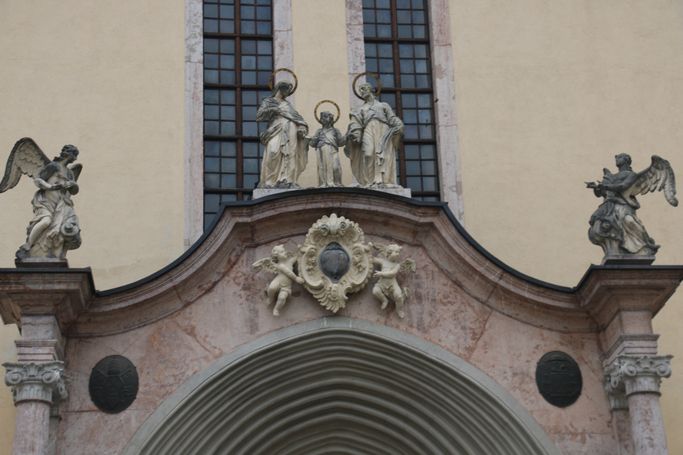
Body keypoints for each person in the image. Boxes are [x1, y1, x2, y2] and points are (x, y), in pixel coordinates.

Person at [587, 153, 658, 257]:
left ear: (626, 160)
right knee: (603, 226)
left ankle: (645, 245)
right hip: (609, 206)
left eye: (619, 157)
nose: (616, 159)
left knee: (629, 221)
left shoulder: (631, 175)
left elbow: (623, 186)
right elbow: (602, 193)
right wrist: (596, 187)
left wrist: (605, 186)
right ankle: (615, 250)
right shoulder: (611, 176)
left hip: (624, 204)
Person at [17, 145, 81, 259]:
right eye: (74, 155)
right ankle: (28, 246)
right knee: (46, 221)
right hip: (46, 202)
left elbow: (74, 191)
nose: (75, 158)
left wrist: (73, 185)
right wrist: (50, 187)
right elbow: (38, 180)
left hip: (61, 204)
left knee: (59, 231)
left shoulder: (69, 173)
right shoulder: (54, 166)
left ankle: (54, 253)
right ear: (69, 154)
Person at [345, 82, 403, 187]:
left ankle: (382, 180)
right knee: (368, 153)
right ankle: (369, 181)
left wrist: (398, 124)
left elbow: (392, 119)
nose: (361, 92)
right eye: (360, 90)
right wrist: (355, 134)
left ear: (370, 90)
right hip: (368, 129)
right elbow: (355, 123)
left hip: (383, 130)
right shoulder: (360, 109)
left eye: (363, 89)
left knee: (383, 155)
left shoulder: (383, 105)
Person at [256, 81, 309, 188]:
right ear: (280, 89)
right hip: (275, 128)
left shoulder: (287, 105)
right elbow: (259, 116)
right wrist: (273, 109)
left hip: (290, 129)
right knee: (273, 151)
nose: (288, 93)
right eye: (287, 90)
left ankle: (287, 179)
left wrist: (302, 127)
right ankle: (269, 182)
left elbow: (298, 118)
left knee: (290, 153)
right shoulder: (269, 101)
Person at [310, 111, 345, 187]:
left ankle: (337, 183)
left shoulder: (335, 131)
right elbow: (312, 143)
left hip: (333, 150)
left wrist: (347, 137)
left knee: (335, 167)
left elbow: (341, 142)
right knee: (323, 167)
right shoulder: (319, 131)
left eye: (325, 117)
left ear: (331, 119)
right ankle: (324, 183)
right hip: (321, 150)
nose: (323, 119)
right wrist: (309, 139)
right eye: (322, 118)